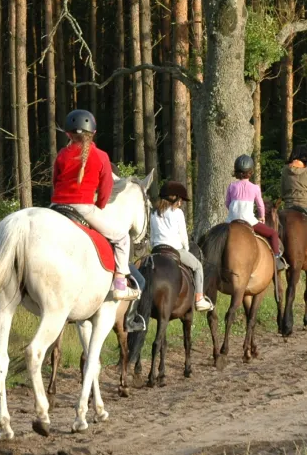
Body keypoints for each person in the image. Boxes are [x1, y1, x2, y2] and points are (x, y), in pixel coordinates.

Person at [50, 108, 141, 301]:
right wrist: (99, 205)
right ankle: (120, 284)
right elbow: (107, 188)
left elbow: (55, 180)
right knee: (123, 237)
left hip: (55, 207)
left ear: (68, 134)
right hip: (84, 208)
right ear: (94, 133)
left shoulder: (62, 154)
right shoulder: (101, 156)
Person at [150, 181, 214, 312]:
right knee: (198, 266)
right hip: (175, 249)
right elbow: (184, 236)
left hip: (156, 249)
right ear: (173, 198)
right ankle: (199, 299)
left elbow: (151, 235)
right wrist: (186, 249)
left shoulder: (153, 213)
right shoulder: (177, 213)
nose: (180, 203)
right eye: (179, 200)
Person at [226, 155, 287, 271]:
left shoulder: (231, 186)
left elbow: (227, 203)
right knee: (273, 233)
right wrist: (262, 216)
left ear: (236, 171)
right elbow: (260, 205)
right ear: (251, 172)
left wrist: (234, 213)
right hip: (249, 221)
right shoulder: (255, 187)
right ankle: (277, 259)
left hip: (231, 220)